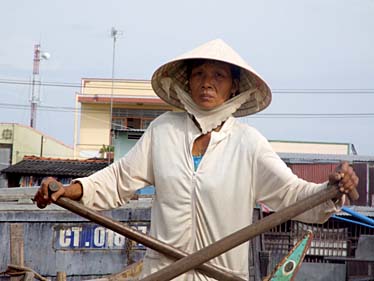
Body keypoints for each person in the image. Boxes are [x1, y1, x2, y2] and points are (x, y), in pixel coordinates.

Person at [34, 39, 359, 280]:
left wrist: (330, 190)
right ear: (187, 81)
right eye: (199, 73)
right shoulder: (164, 131)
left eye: (219, 75)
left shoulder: (248, 143)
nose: (207, 82)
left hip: (222, 277)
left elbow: (292, 196)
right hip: (164, 274)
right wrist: (68, 189)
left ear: (233, 88)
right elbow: (117, 181)